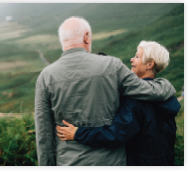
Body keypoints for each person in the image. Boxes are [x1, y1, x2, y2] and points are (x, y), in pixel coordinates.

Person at [35, 16, 176, 166]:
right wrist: (166, 85)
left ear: (63, 41)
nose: (132, 59)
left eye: (137, 56)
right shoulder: (112, 66)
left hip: (69, 163)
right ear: (86, 37)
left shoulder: (46, 76)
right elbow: (146, 90)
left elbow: (43, 134)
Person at [56, 41, 181, 166]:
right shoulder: (166, 96)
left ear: (150, 64)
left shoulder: (136, 98)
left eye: (137, 56)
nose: (132, 59)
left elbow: (116, 134)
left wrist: (78, 133)